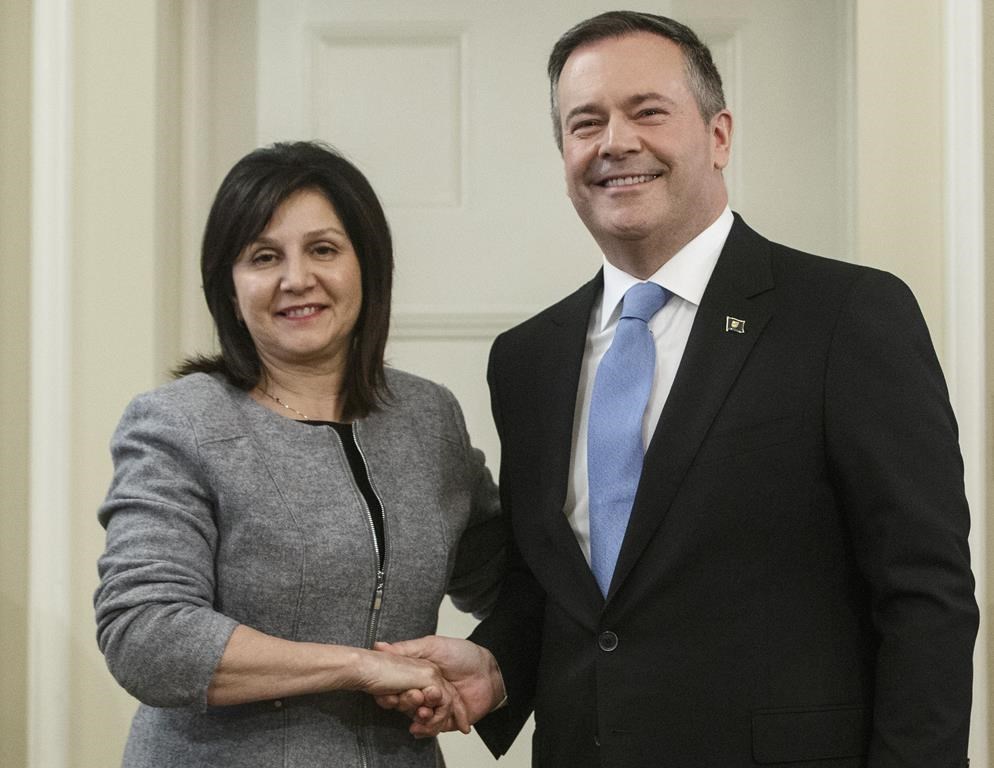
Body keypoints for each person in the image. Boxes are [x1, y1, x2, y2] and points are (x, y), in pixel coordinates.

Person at [375, 11, 979, 767]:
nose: (615, 142)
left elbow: (925, 594)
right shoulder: (527, 360)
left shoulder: (845, 316)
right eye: (585, 123)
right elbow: (562, 587)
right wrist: (497, 667)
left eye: (648, 111)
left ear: (719, 136)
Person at [93, 141, 506, 767]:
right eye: (264, 257)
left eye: (323, 249)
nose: (296, 279)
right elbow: (145, 635)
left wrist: (491, 663)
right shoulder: (180, 423)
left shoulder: (429, 419)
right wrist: (357, 667)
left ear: (367, 265)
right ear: (229, 288)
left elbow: (514, 582)